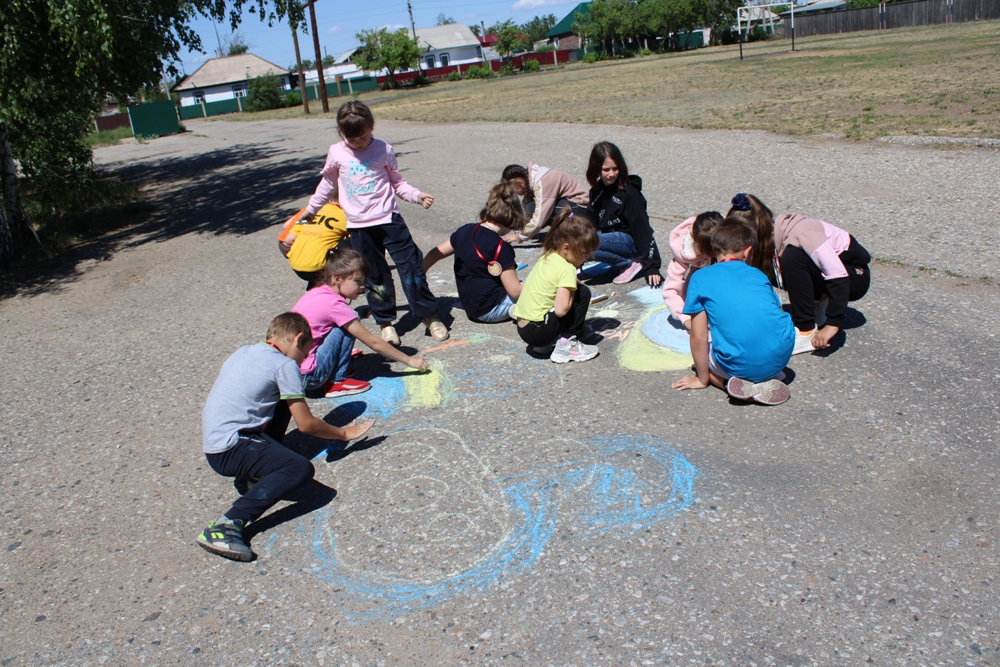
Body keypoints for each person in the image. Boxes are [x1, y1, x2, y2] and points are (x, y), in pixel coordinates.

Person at [197, 312, 374, 561]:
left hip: (217, 440)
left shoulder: (245, 351)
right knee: (297, 468)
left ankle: (257, 473)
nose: (303, 362)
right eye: (305, 353)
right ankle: (225, 526)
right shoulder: (284, 365)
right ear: (298, 339)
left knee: (284, 400)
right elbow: (306, 425)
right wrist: (344, 433)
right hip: (230, 449)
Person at [303, 100, 448, 346]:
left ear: (372, 126)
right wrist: (311, 210)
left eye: (362, 136)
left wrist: (417, 195)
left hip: (389, 219)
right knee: (374, 276)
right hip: (359, 226)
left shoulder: (384, 149)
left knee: (411, 268)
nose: (357, 143)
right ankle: (386, 323)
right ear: (342, 134)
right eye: (351, 138)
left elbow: (398, 183)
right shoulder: (337, 152)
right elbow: (327, 185)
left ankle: (428, 315)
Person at [671, 218, 795, 406]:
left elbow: (698, 337)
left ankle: (726, 383)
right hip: (780, 357)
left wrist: (701, 379)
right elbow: (776, 314)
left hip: (738, 366)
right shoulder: (758, 275)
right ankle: (768, 377)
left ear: (714, 252)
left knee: (701, 362)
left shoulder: (700, 278)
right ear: (748, 250)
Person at [727, 193, 871, 354]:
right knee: (762, 264)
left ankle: (806, 330)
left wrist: (833, 324)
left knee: (792, 258)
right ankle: (817, 301)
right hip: (829, 275)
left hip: (854, 277)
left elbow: (837, 275)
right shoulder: (769, 236)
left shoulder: (803, 232)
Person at [292, 247, 429, 398]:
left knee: (343, 322)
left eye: (363, 281)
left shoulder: (317, 291)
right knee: (347, 325)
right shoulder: (335, 305)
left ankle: (333, 367)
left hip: (291, 374)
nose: (362, 287)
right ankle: (337, 380)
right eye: (357, 281)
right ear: (337, 278)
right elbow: (373, 342)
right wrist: (408, 360)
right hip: (310, 377)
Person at [422, 183, 527, 323]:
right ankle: (516, 309)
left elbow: (437, 253)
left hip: (471, 308)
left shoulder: (465, 231)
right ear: (513, 216)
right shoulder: (501, 247)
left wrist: (421, 271)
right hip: (493, 309)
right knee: (533, 290)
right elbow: (515, 291)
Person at [513, 208, 601, 363]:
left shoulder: (548, 256)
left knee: (567, 294)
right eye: (583, 253)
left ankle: (544, 345)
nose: (586, 258)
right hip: (538, 332)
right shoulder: (567, 269)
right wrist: (572, 288)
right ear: (566, 248)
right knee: (583, 293)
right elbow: (561, 311)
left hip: (524, 328)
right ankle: (566, 345)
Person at [585, 142, 663, 286]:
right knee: (576, 241)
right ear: (596, 169)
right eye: (606, 169)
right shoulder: (596, 192)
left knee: (587, 243)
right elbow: (589, 223)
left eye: (615, 168)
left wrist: (652, 266)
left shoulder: (628, 193)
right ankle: (621, 261)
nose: (611, 174)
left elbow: (642, 228)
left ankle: (630, 262)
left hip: (630, 240)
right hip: (612, 238)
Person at [661, 211, 724, 328]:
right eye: (706, 253)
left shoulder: (726, 236)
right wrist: (685, 318)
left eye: (715, 253)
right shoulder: (684, 250)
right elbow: (671, 289)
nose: (710, 256)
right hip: (698, 276)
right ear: (692, 237)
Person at [500, 162, 589, 242]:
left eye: (512, 189)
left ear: (519, 182)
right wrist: (522, 229)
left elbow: (539, 218)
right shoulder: (532, 179)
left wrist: (519, 236)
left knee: (534, 208)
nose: (514, 193)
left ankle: (574, 231)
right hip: (573, 206)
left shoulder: (542, 182)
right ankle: (559, 232)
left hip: (581, 213)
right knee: (530, 206)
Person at [277, 202, 349, 287]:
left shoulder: (312, 211)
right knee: (352, 241)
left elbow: (289, 239)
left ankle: (313, 288)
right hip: (320, 269)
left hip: (296, 265)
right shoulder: (345, 215)